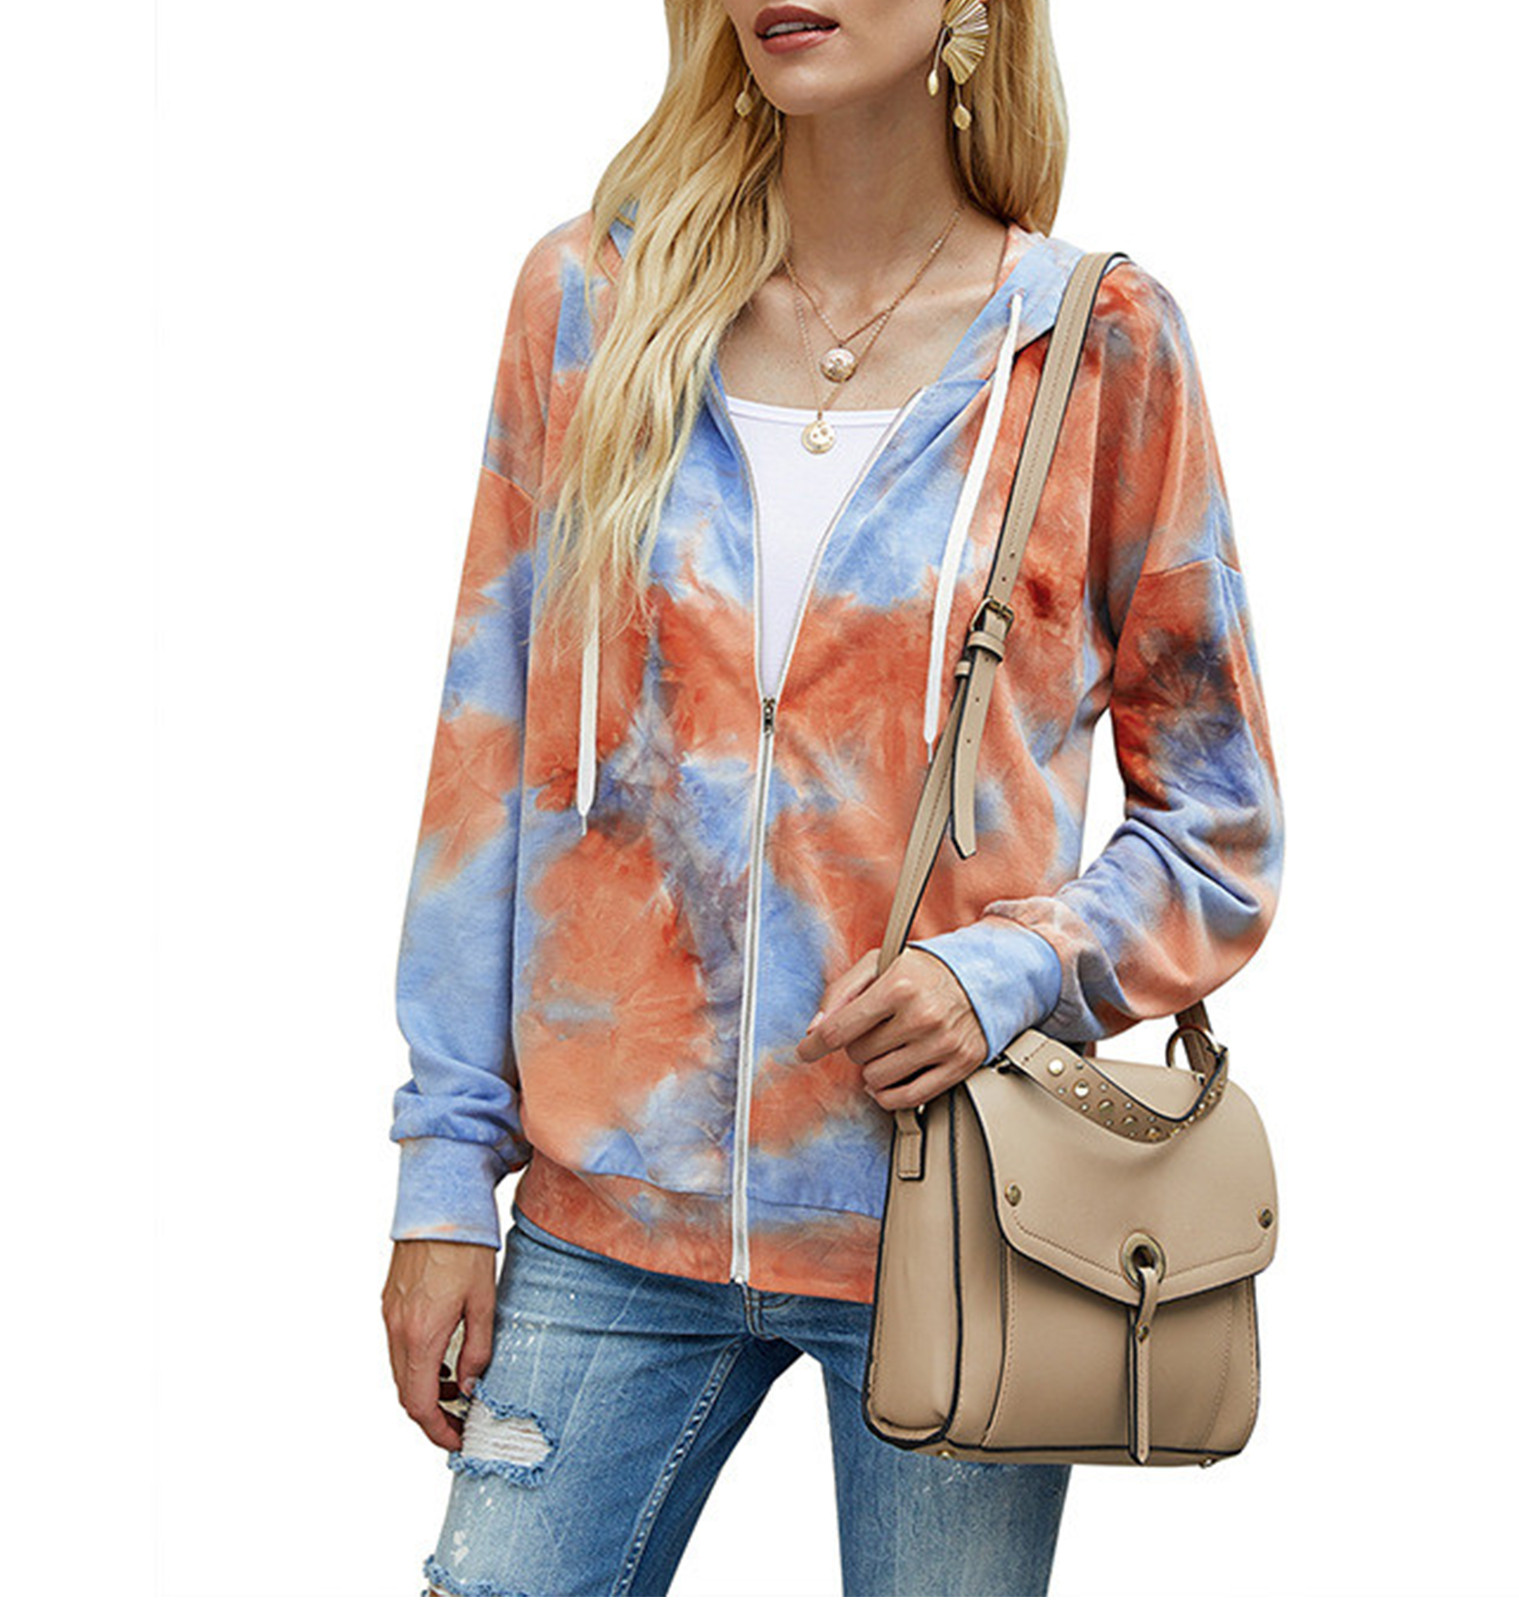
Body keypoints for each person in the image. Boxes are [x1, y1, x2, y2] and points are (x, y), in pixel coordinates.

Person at [379, 1, 1286, 1594]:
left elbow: (1220, 827)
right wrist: (444, 1171)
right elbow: (487, 757)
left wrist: (1006, 970)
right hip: (606, 1226)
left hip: (962, 1223)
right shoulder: (591, 305)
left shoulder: (1094, 346)